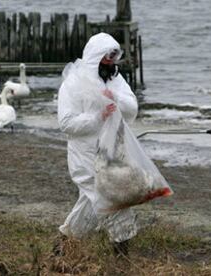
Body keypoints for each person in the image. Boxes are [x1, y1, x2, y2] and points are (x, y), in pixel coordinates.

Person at [57, 32, 138, 256]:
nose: (111, 62)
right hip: (84, 156)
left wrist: (116, 97)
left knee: (93, 204)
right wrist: (97, 118)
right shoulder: (73, 84)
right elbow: (66, 123)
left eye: (114, 57)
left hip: (113, 152)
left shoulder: (115, 80)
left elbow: (132, 109)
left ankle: (61, 247)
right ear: (95, 57)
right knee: (112, 201)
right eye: (106, 57)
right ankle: (121, 257)